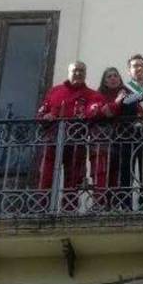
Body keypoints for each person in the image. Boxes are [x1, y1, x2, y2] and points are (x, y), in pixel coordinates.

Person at [36, 61, 107, 207]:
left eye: (82, 71)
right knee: (46, 177)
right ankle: (42, 208)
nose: (78, 73)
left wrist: (89, 112)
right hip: (52, 140)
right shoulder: (55, 91)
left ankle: (69, 209)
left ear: (85, 74)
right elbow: (41, 113)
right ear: (69, 72)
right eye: (75, 70)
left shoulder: (92, 94)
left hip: (76, 142)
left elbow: (95, 110)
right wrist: (46, 117)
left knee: (73, 180)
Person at [118, 54, 143, 210]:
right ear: (129, 70)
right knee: (127, 171)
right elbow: (126, 101)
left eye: (142, 65)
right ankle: (125, 205)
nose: (139, 68)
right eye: (135, 66)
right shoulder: (124, 88)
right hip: (129, 134)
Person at [90, 67, 128, 209]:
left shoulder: (127, 94)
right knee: (100, 174)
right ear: (104, 81)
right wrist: (117, 102)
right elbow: (105, 112)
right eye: (109, 76)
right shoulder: (97, 95)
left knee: (117, 175)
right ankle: (99, 205)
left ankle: (115, 206)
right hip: (100, 141)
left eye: (115, 76)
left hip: (120, 141)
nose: (113, 78)